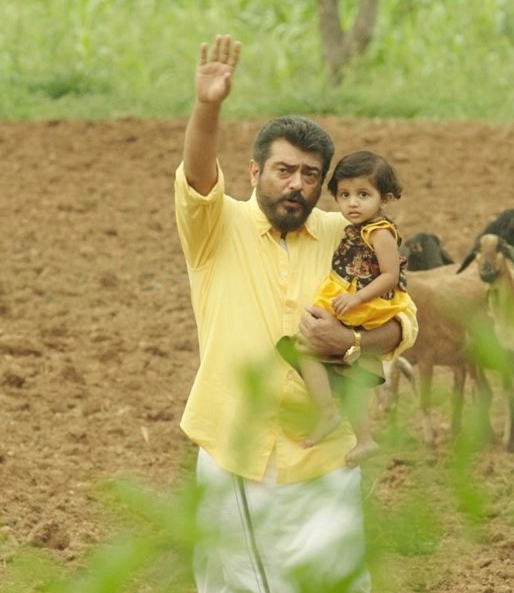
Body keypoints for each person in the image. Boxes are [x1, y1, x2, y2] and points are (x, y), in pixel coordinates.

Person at [174, 34, 418, 593]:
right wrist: (207, 106)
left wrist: (350, 344)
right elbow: (198, 175)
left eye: (310, 175)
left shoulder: (346, 236)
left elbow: (405, 319)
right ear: (254, 171)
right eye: (284, 170)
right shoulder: (216, 227)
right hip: (241, 456)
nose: (296, 184)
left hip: (327, 458)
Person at [292, 150, 413, 467]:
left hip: (367, 303)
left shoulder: (380, 232)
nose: (352, 203)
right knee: (346, 368)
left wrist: (357, 298)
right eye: (344, 195)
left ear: (385, 198)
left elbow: (390, 276)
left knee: (308, 347)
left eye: (363, 194)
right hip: (355, 298)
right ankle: (361, 436)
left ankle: (330, 415)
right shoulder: (359, 228)